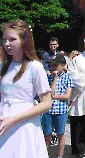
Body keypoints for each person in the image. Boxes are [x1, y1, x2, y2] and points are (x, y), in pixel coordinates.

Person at [0, 20, 52, 157]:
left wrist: (13, 120)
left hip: (24, 124)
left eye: (12, 39)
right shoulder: (4, 66)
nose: (6, 44)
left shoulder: (35, 67)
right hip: (3, 122)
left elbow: (47, 103)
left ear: (24, 41)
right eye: (5, 39)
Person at [42, 54, 74, 158]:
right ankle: (43, 154)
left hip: (61, 110)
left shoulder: (68, 78)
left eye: (56, 65)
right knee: (47, 134)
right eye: (51, 65)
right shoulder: (49, 77)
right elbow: (49, 93)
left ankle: (60, 156)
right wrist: (54, 79)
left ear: (63, 65)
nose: (53, 67)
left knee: (60, 133)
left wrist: (54, 96)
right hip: (49, 110)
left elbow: (67, 96)